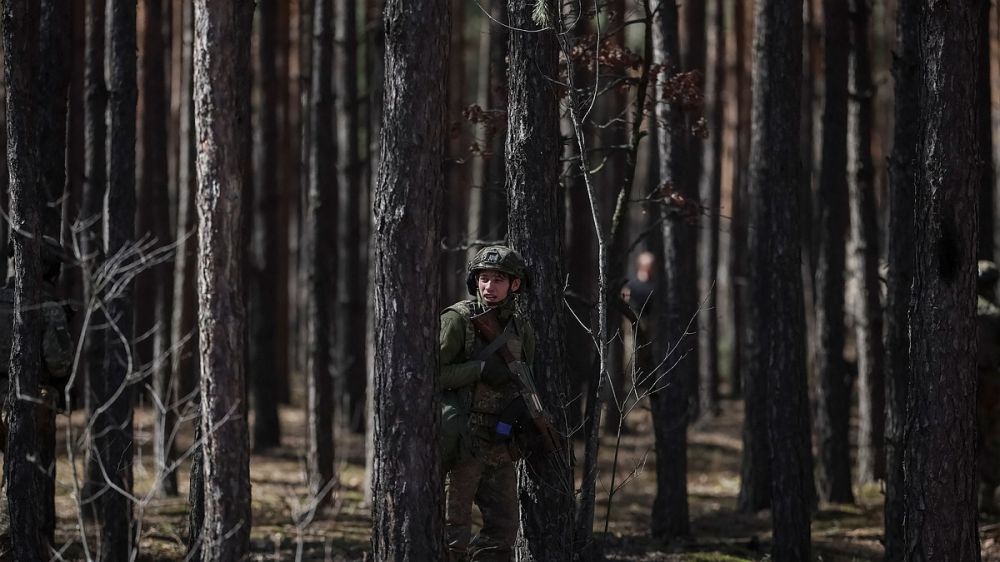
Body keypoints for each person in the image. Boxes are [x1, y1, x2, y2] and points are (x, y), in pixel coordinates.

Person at [439, 245, 536, 561]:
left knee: (503, 532)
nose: (489, 287)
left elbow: (526, 380)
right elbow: (430, 375)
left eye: (498, 280)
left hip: (500, 441)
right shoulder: (458, 320)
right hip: (463, 442)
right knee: (452, 535)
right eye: (483, 279)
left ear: (514, 284)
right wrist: (479, 369)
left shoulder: (521, 329)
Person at [0, 256, 73, 556]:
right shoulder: (48, 307)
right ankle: (16, 543)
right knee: (27, 476)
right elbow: (59, 364)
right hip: (29, 403)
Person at [978, 260, 1000, 514]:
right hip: (992, 387)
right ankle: (985, 498)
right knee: (992, 441)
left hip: (965, 387)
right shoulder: (994, 315)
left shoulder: (959, 310)